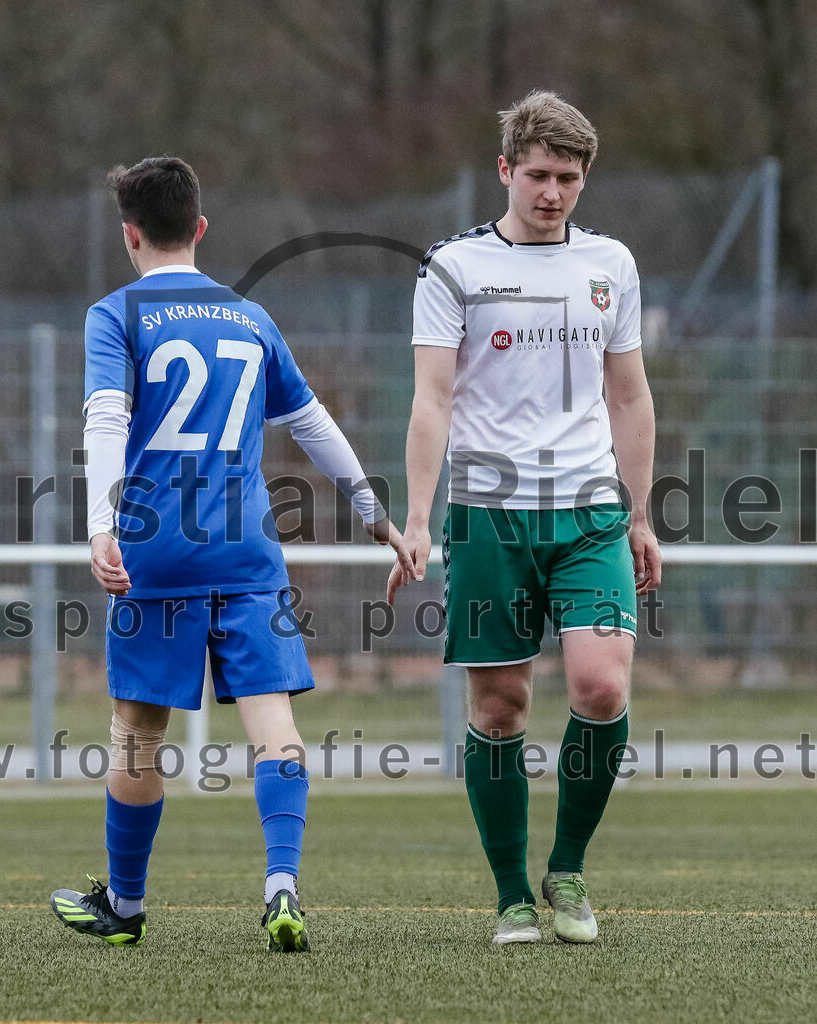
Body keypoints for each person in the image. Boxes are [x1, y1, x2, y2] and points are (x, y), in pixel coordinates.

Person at [49, 156, 413, 953]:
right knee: (271, 718)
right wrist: (374, 513)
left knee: (138, 730)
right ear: (201, 229)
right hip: (248, 552)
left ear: (129, 234)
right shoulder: (251, 319)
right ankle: (281, 882)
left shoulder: (116, 315)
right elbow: (312, 424)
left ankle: (127, 905)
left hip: (156, 552)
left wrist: (100, 524)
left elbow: (105, 419)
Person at [388, 91, 661, 945]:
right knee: (500, 707)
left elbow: (628, 393)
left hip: (586, 510)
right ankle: (511, 895)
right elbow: (431, 398)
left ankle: (567, 870)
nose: (551, 192)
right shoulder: (452, 267)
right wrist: (420, 515)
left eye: (567, 178)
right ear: (505, 170)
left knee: (601, 685)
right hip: (485, 514)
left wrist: (641, 513)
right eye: (537, 175)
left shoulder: (609, 264)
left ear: (585, 179)